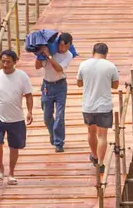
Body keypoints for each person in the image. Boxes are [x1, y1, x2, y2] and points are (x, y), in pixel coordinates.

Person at [0, 50, 33, 185]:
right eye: (3, 61)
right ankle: (0, 166)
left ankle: (11, 172)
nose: (5, 64)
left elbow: (28, 94)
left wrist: (29, 112)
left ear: (15, 62)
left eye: (8, 62)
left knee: (14, 146)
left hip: (16, 118)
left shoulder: (22, 76)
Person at [77, 43, 119, 174]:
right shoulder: (110, 66)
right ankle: (101, 163)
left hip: (88, 105)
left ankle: (94, 156)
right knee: (102, 136)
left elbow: (79, 83)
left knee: (91, 132)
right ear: (106, 53)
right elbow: (115, 85)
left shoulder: (83, 64)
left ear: (92, 52)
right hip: (104, 106)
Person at [35, 31, 73, 153]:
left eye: (66, 46)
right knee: (47, 116)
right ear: (58, 43)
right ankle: (53, 133)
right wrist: (41, 54)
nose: (63, 48)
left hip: (60, 86)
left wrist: (49, 56)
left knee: (60, 115)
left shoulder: (68, 55)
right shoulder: (50, 49)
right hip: (47, 86)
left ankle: (59, 142)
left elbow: (58, 69)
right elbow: (37, 66)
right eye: (61, 45)